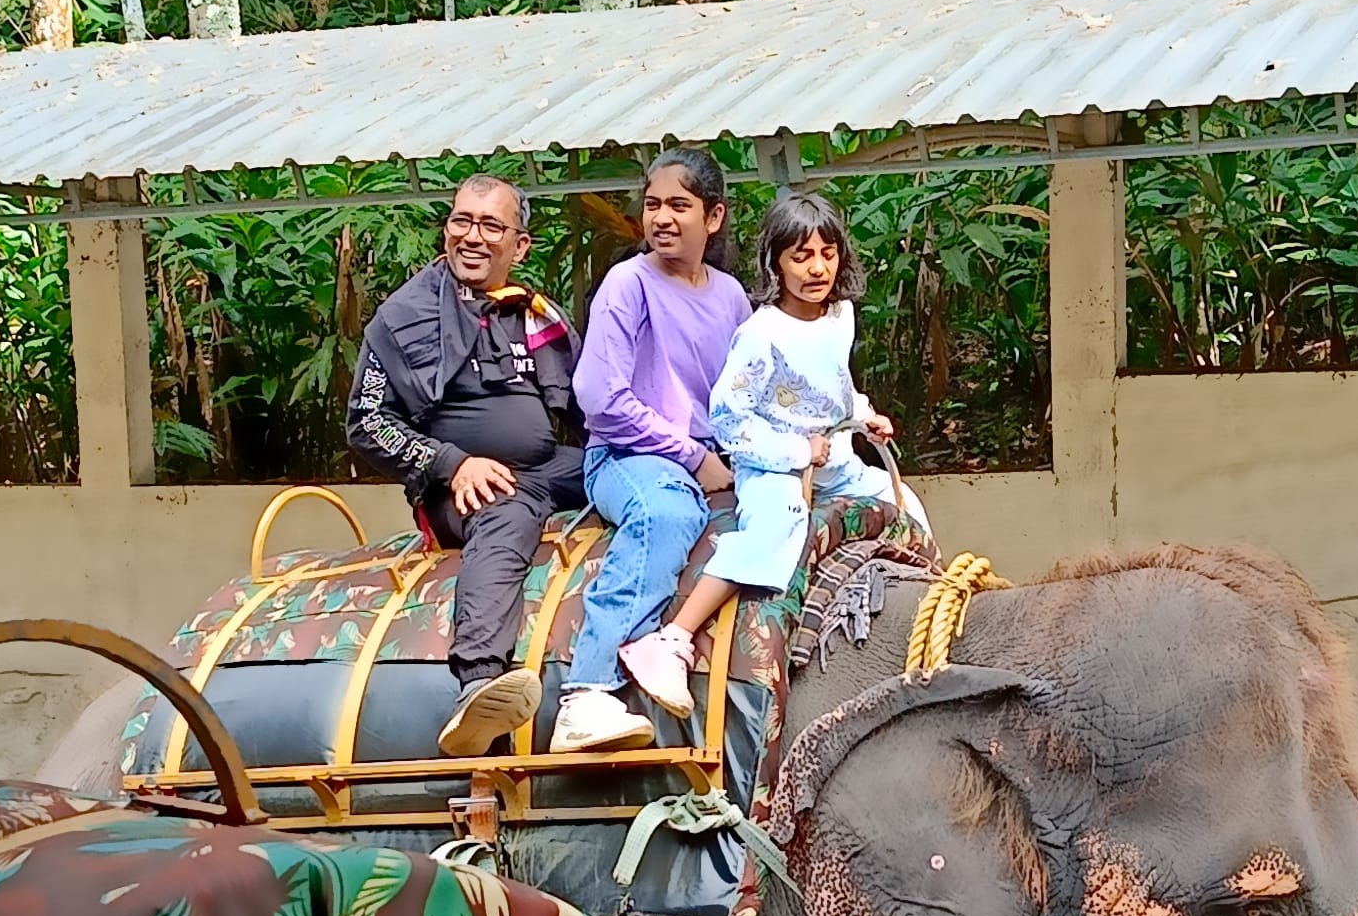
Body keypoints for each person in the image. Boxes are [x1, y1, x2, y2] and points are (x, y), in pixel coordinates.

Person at [619, 191, 929, 718]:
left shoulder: (840, 316)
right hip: (771, 464)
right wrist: (794, 450)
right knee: (776, 530)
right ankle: (672, 637)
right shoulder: (760, 333)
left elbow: (834, 387)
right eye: (800, 256)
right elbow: (730, 419)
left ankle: (929, 607)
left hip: (836, 461)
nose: (817, 268)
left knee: (902, 501)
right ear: (776, 263)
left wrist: (863, 413)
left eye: (827, 254)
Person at [347, 174, 585, 758]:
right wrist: (452, 464)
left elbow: (586, 406)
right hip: (459, 489)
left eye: (490, 225)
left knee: (630, 468)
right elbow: (365, 423)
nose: (472, 237)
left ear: (519, 246)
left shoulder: (532, 315)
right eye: (462, 221)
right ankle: (478, 683)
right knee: (504, 515)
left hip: (541, 471)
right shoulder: (403, 317)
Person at [550, 148, 752, 754]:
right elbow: (599, 398)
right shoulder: (628, 283)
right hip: (627, 457)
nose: (662, 218)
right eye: (653, 205)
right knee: (667, 514)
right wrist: (691, 456)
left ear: (713, 218)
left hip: (711, 456)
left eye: (679, 206)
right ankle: (585, 694)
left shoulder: (732, 297)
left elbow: (745, 393)